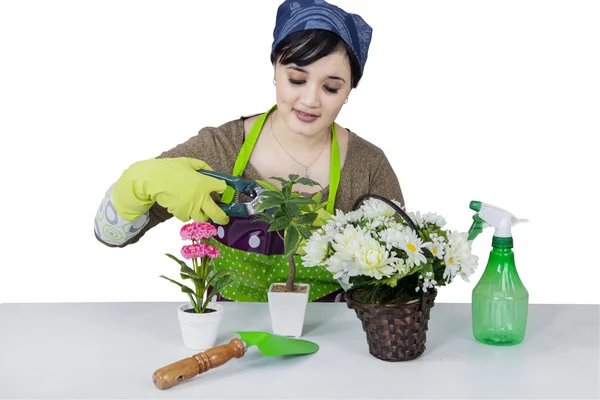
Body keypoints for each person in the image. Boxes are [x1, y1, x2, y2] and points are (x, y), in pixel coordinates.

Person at [94, 0, 405, 302]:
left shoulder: (368, 165)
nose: (310, 100)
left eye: (331, 88)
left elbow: (402, 282)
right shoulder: (221, 149)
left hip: (334, 345)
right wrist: (138, 183)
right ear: (275, 69)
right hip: (228, 345)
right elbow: (112, 235)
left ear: (349, 89)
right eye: (296, 79)